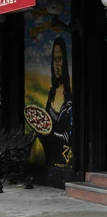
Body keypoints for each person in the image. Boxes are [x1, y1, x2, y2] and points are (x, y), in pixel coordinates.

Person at [43, 36, 73, 167]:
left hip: (63, 159)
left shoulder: (70, 99)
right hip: (48, 156)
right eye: (54, 59)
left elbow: (69, 136)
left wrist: (50, 133)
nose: (57, 65)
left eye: (60, 59)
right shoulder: (52, 92)